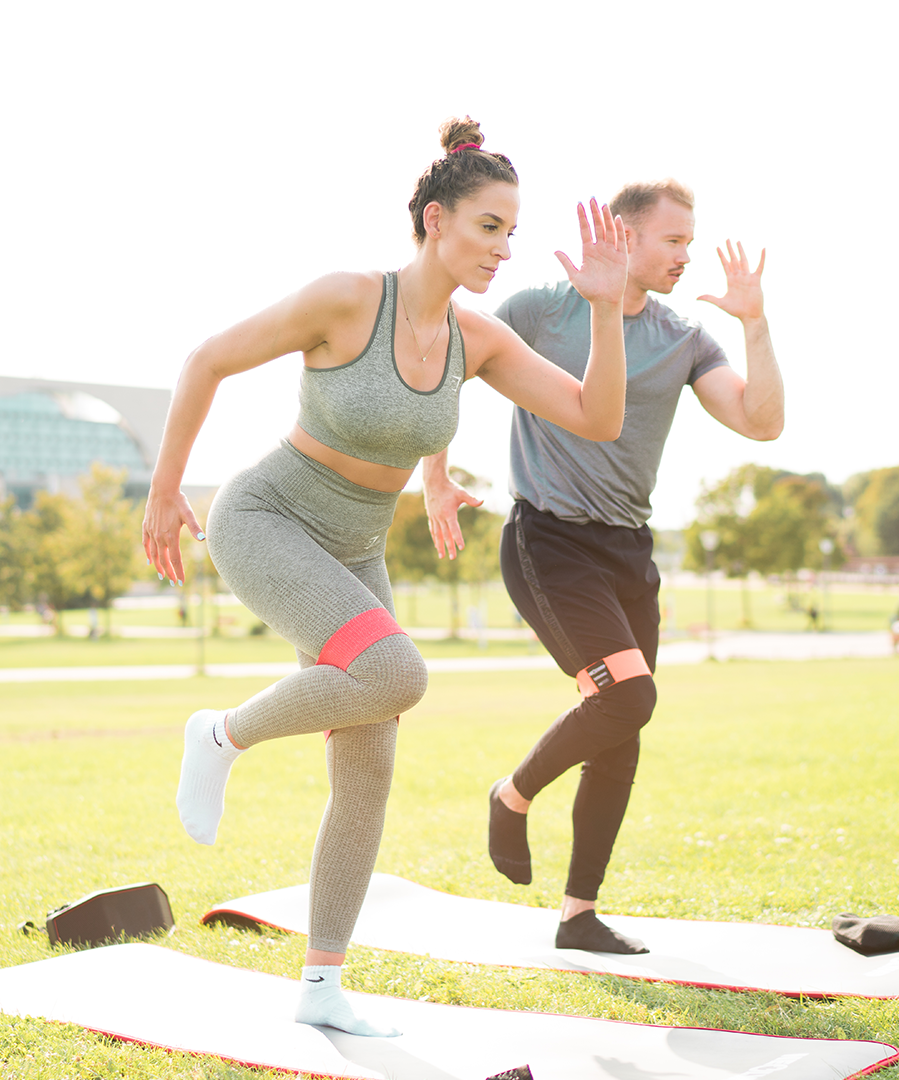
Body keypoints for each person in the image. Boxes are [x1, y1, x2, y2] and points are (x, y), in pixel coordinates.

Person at [142, 117, 629, 1035]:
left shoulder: (473, 342)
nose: (504, 247)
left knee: (368, 770)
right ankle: (220, 735)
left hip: (354, 551)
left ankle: (322, 988)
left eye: (513, 231)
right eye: (490, 226)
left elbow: (594, 416)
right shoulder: (345, 299)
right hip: (267, 520)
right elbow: (207, 358)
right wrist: (166, 489)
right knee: (397, 674)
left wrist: (605, 307)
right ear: (436, 220)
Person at [423, 179, 783, 953]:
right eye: (674, 241)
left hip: (628, 550)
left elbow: (761, 422)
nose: (687, 256)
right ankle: (511, 795)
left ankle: (578, 915)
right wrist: (435, 476)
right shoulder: (542, 309)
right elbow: (444, 363)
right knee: (629, 697)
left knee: (623, 728)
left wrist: (755, 324)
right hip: (548, 540)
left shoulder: (684, 337)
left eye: (691, 241)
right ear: (624, 236)